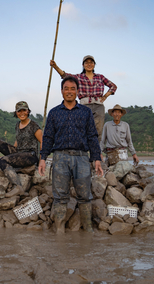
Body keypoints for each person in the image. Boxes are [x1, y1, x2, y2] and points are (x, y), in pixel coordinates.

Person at [38, 76, 104, 234]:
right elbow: (48, 138)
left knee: (85, 195)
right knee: (60, 196)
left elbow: (92, 136)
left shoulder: (86, 112)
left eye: (72, 89)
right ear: (61, 91)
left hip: (81, 157)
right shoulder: (54, 113)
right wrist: (42, 158)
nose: (69, 91)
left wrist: (97, 158)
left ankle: (88, 230)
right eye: (66, 88)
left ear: (77, 91)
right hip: (60, 158)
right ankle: (59, 231)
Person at [50, 55, 117, 142]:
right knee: (82, 127)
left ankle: (97, 152)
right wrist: (55, 66)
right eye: (87, 63)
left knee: (98, 130)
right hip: (85, 104)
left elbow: (113, 86)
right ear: (83, 65)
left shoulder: (100, 77)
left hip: (98, 105)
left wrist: (105, 96)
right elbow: (65, 76)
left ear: (94, 64)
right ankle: (83, 150)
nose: (89, 64)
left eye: (91, 62)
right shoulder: (79, 77)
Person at [0, 101, 43, 194]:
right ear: (16, 113)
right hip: (19, 152)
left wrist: (41, 161)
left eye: (24, 110)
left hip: (30, 155)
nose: (22, 113)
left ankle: (17, 186)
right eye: (19, 111)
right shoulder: (17, 125)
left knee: (3, 161)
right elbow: (18, 141)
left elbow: (42, 142)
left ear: (28, 111)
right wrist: (12, 153)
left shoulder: (34, 126)